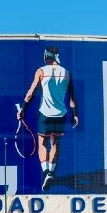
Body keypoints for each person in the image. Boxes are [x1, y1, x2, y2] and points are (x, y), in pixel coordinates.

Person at [17, 46, 79, 191]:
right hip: (61, 115)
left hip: (45, 114)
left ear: (46, 56)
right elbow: (72, 98)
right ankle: (51, 171)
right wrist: (75, 114)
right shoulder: (67, 73)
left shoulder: (41, 71)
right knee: (55, 143)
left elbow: (30, 93)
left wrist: (23, 109)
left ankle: (46, 171)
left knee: (42, 143)